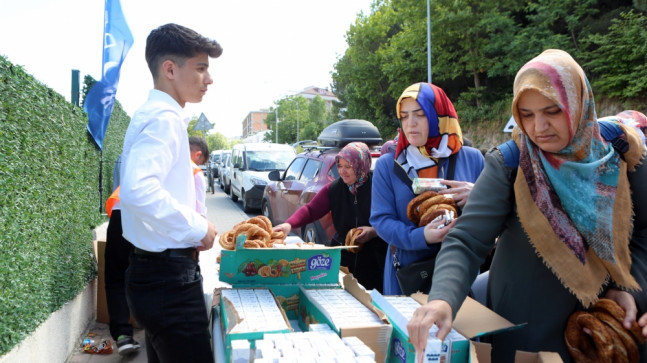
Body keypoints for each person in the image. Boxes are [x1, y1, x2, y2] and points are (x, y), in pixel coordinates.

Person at [406, 49, 647, 362]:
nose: (539, 127)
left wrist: (629, 289)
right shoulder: (510, 164)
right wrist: (442, 300)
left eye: (552, 111)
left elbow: (643, 234)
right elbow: (467, 240)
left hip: (608, 335)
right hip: (529, 336)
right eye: (527, 115)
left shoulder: (623, 156)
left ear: (578, 104)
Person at [119, 23, 222, 363]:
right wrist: (197, 228)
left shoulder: (158, 114)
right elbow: (138, 191)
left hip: (156, 275)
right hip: (168, 282)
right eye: (201, 67)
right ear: (170, 69)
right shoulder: (164, 117)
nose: (209, 79)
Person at [370, 82, 485, 295]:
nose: (410, 123)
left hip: (461, 272)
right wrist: (422, 236)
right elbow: (381, 220)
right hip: (409, 276)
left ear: (438, 115)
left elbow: (495, 217)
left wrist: (479, 196)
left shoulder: (473, 159)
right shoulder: (389, 165)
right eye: (404, 116)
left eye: (420, 114)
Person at [273, 142, 388, 292]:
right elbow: (311, 210)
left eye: (348, 167)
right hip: (343, 258)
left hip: (375, 260)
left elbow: (393, 220)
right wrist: (288, 225)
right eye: (339, 166)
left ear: (362, 165)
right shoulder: (335, 189)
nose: (342, 171)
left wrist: (373, 231)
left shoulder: (379, 186)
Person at [104, 158, 139, 356]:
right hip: (148, 216)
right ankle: (151, 327)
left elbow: (116, 186)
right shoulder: (166, 150)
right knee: (147, 270)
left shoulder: (122, 157)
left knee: (116, 276)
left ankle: (123, 336)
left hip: (120, 214)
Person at [189, 136, 209, 216]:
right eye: (199, 163)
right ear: (197, 155)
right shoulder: (196, 172)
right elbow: (200, 208)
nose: (198, 166)